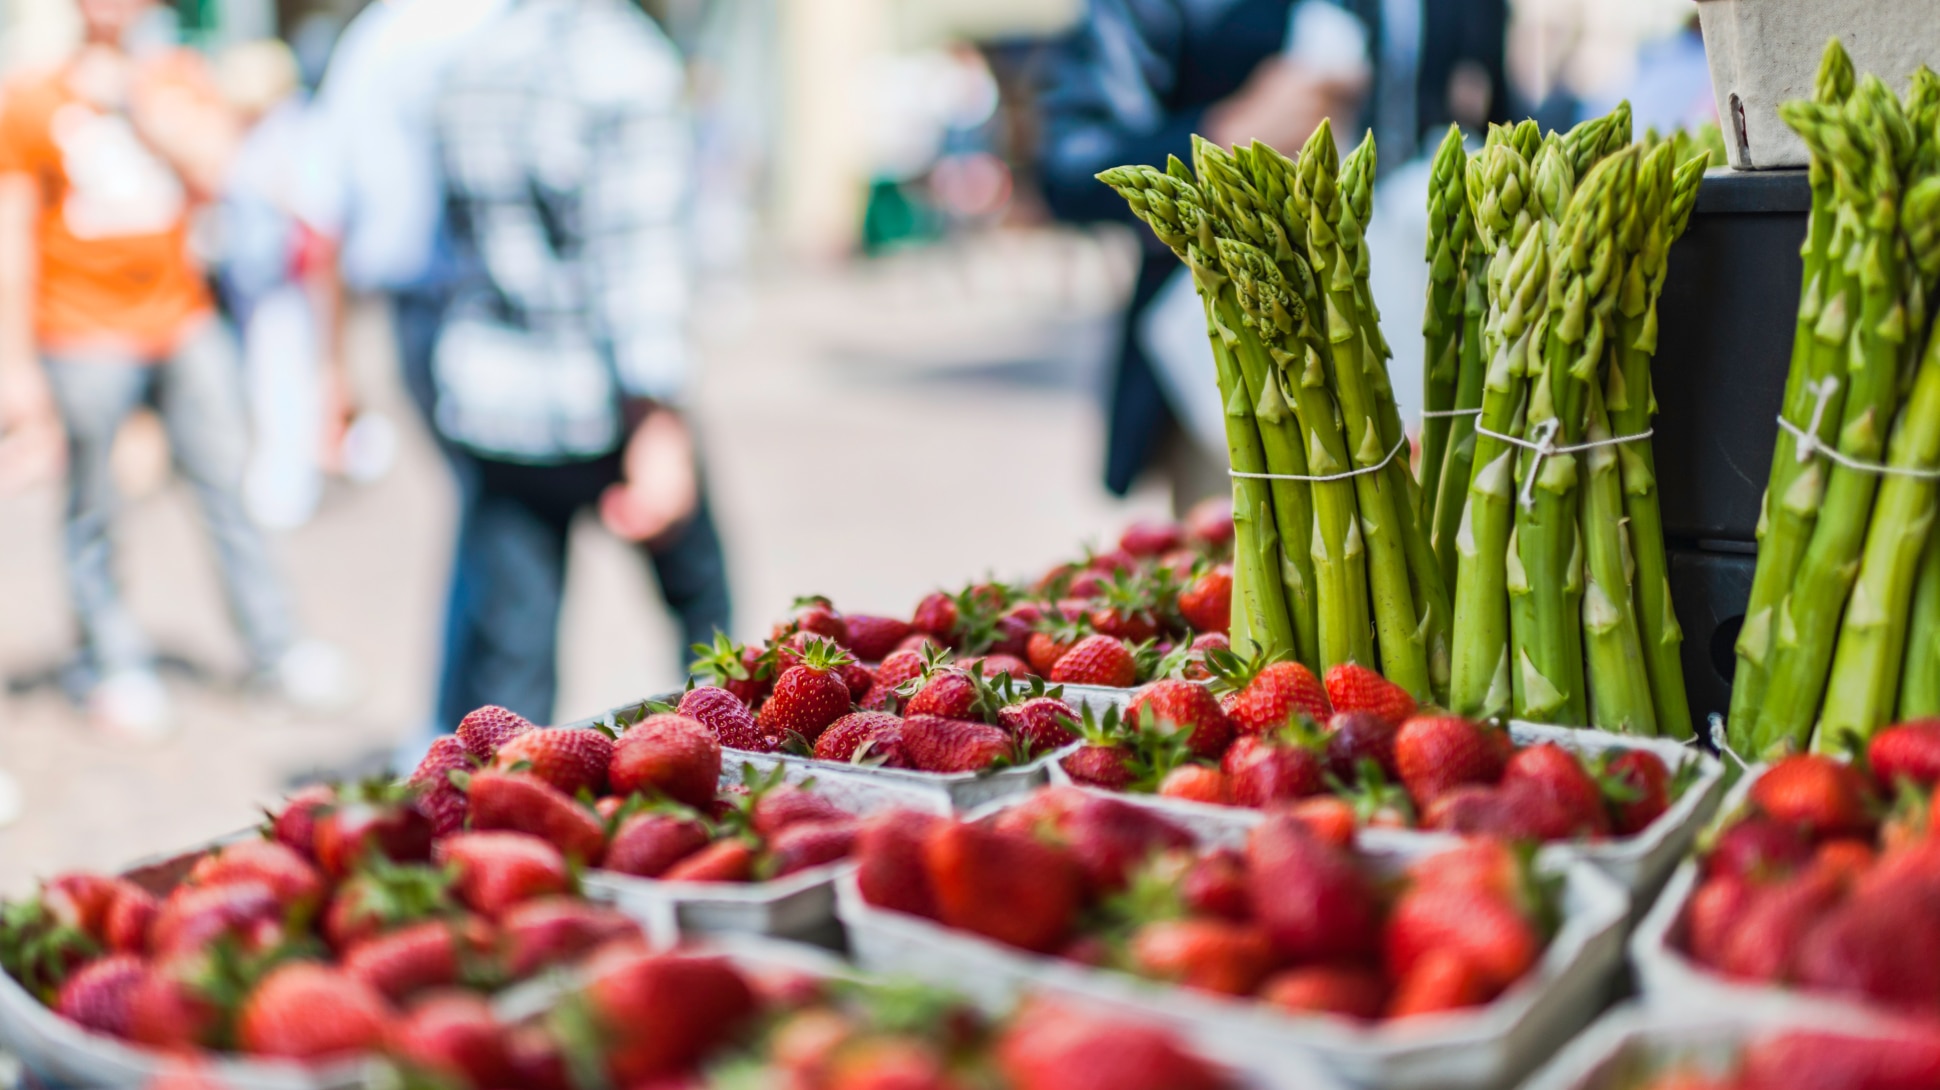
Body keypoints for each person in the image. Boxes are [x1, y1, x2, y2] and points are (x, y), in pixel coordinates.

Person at [0, 0, 345, 736]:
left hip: (181, 319)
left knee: (226, 480)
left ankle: (275, 644)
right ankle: (112, 660)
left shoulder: (177, 78)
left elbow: (221, 172)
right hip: (80, 328)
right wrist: (15, 362)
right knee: (94, 502)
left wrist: (135, 104)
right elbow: (13, 231)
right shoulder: (31, 98)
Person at [1037, 0, 1508, 508]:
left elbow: (1503, 114)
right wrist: (1227, 135)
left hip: (1427, 358)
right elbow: (1071, 163)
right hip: (1234, 365)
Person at [423, 0, 731, 729]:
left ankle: (500, 818)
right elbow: (637, 263)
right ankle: (732, 790)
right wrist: (657, 425)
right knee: (715, 635)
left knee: (511, 666)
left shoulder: (478, 54)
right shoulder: (624, 63)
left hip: (495, 392)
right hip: (602, 398)